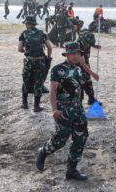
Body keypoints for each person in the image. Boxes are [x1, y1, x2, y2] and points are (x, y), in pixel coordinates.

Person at [36, 42, 99, 180]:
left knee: (81, 137)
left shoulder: (78, 69)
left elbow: (79, 88)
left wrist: (81, 104)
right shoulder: (58, 70)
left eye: (78, 54)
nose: (76, 56)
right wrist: (54, 109)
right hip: (63, 110)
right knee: (60, 139)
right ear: (67, 54)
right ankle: (44, 151)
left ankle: (72, 169)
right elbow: (52, 92)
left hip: (78, 109)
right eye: (73, 54)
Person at [18, 15, 52, 112]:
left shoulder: (23, 34)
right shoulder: (42, 33)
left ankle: (24, 104)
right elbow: (49, 47)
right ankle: (36, 106)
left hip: (29, 61)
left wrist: (26, 51)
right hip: (40, 61)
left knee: (26, 81)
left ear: (27, 24)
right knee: (38, 82)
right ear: (34, 24)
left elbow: (19, 49)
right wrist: (48, 58)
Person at [78, 29, 101, 105]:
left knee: (88, 81)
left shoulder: (88, 38)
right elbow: (81, 62)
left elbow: (90, 43)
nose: (88, 44)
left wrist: (95, 46)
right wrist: (92, 73)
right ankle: (79, 102)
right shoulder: (78, 46)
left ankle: (91, 99)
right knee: (80, 83)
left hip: (85, 61)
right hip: (78, 64)